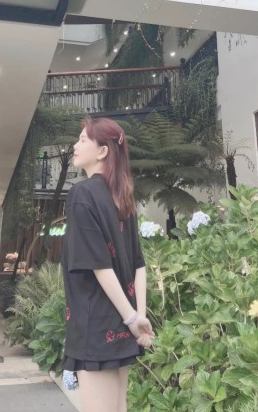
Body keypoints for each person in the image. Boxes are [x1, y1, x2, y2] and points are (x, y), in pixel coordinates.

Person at [62, 116, 155, 412]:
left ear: (103, 151)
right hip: (120, 323)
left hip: (96, 324)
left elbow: (99, 266)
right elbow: (139, 265)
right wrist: (136, 316)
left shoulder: (82, 194)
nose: (75, 145)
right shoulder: (123, 197)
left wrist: (132, 319)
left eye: (83, 140)